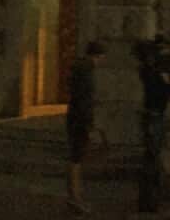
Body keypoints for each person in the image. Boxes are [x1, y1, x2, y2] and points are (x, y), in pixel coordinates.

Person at [136, 35, 170, 213]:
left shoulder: (148, 69)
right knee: (152, 157)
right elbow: (165, 91)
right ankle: (150, 201)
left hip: (152, 114)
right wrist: (166, 80)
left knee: (152, 157)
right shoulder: (154, 71)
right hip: (154, 115)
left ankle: (150, 198)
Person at [66, 41, 105, 215]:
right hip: (79, 120)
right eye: (101, 57)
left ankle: (75, 195)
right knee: (77, 158)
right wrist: (89, 125)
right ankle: (75, 197)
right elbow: (85, 101)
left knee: (76, 158)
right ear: (96, 55)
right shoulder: (86, 72)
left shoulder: (80, 69)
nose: (101, 62)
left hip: (75, 118)